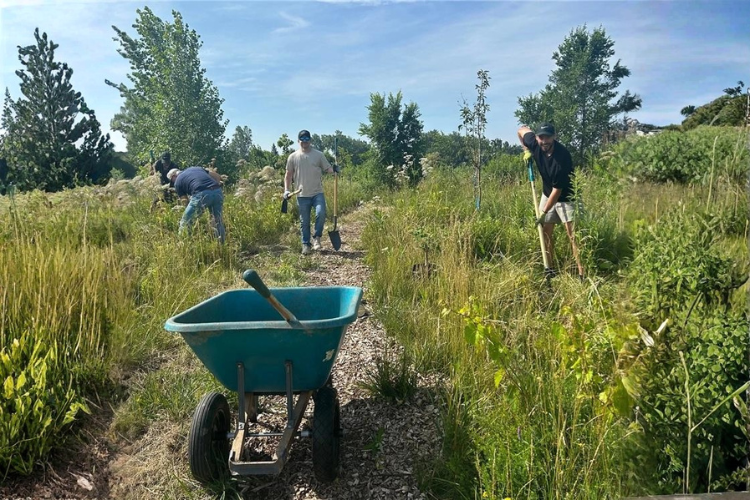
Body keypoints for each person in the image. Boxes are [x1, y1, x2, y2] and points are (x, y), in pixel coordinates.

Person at [517, 122, 584, 280]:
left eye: (548, 137)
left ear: (554, 137)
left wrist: (544, 212)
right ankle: (550, 269)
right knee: (545, 233)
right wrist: (526, 150)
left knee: (573, 236)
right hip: (548, 194)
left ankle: (582, 273)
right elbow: (521, 130)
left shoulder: (562, 158)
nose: (544, 141)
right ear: (537, 137)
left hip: (567, 198)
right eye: (541, 137)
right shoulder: (534, 142)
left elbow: (558, 190)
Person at [284, 129, 339, 255]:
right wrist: (286, 190)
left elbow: (328, 168)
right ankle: (305, 244)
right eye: (302, 139)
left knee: (321, 213)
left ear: (310, 140)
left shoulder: (318, 155)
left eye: (307, 139)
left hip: (317, 192)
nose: (305, 142)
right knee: (305, 222)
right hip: (301, 194)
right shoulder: (293, 157)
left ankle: (317, 238)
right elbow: (288, 175)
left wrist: (334, 169)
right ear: (298, 141)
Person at [167, 166, 226, 243]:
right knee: (217, 220)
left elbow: (185, 202)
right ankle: (221, 244)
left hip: (201, 194)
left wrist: (193, 211)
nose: (174, 183)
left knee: (186, 221)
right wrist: (214, 188)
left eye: (172, 181)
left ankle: (182, 245)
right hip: (217, 191)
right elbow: (217, 176)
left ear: (173, 176)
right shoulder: (195, 168)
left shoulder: (177, 182)